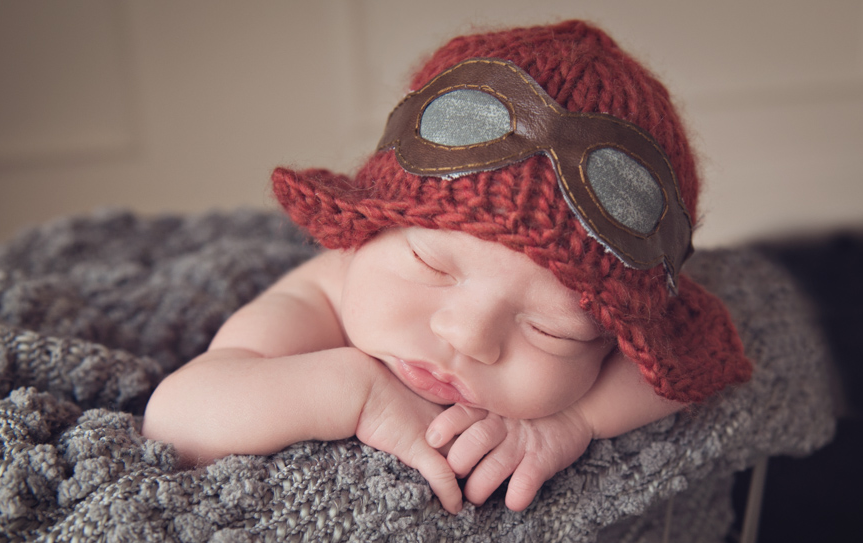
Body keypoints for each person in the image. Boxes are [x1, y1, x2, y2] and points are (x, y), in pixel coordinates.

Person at [142, 20, 752, 514]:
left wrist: (573, 421)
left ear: (611, 341)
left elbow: (688, 366)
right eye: (430, 264)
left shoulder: (628, 342)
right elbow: (179, 415)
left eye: (552, 330)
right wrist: (355, 392)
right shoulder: (319, 299)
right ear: (366, 231)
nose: (468, 336)